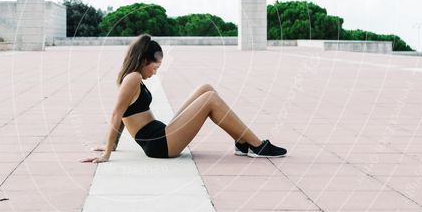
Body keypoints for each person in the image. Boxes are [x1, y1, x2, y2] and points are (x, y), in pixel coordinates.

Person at [80, 34, 287, 163]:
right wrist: (107, 152)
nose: (155, 72)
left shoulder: (134, 78)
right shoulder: (133, 78)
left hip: (162, 134)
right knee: (211, 99)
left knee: (205, 88)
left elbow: (124, 114)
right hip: (160, 145)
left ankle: (243, 143)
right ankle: (256, 145)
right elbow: (117, 114)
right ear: (143, 61)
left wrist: (113, 146)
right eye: (154, 67)